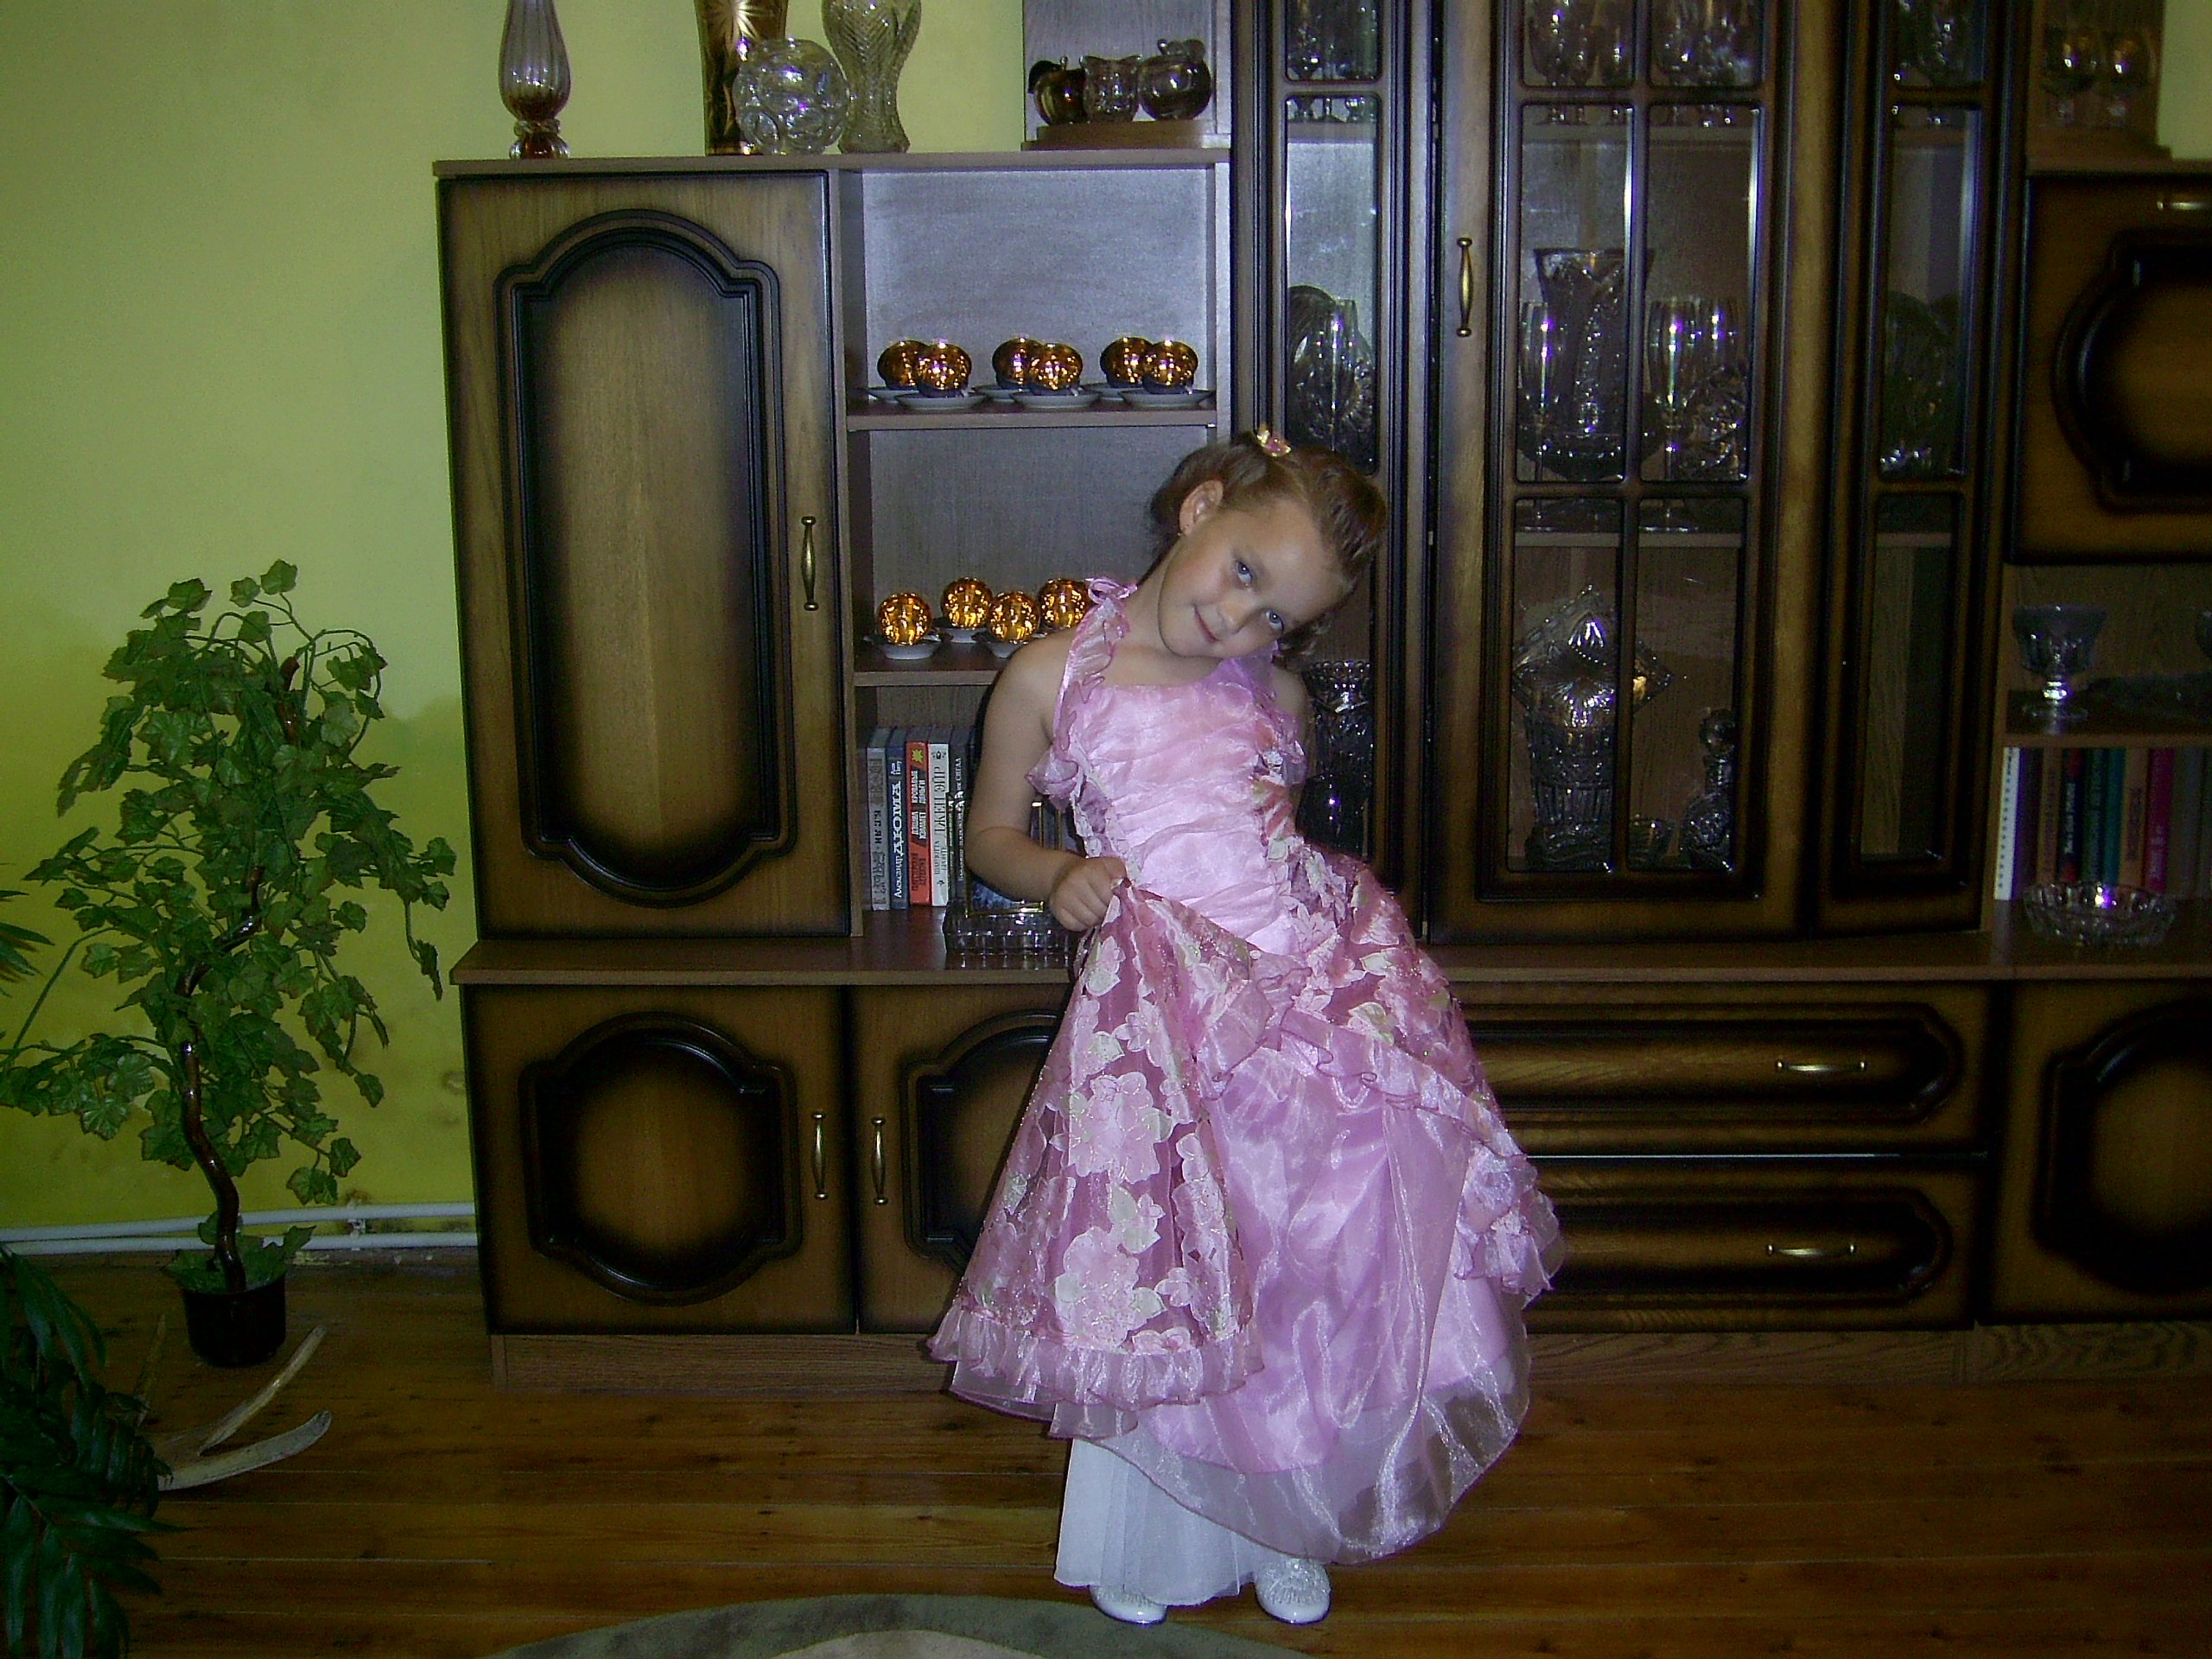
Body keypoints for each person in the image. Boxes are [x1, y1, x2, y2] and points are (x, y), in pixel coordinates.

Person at [928, 429, 1560, 1627]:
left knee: (1305, 1263)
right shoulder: (1052, 676)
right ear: (1199, 508)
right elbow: (990, 837)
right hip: (1163, 1025)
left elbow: (1272, 843)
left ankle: (1288, 1513)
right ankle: (1156, 1540)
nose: (1239, 621)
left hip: (1306, 1008)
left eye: (1276, 616)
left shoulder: (1276, 696)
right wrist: (1056, 875)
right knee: (1171, 1268)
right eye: (1244, 573)